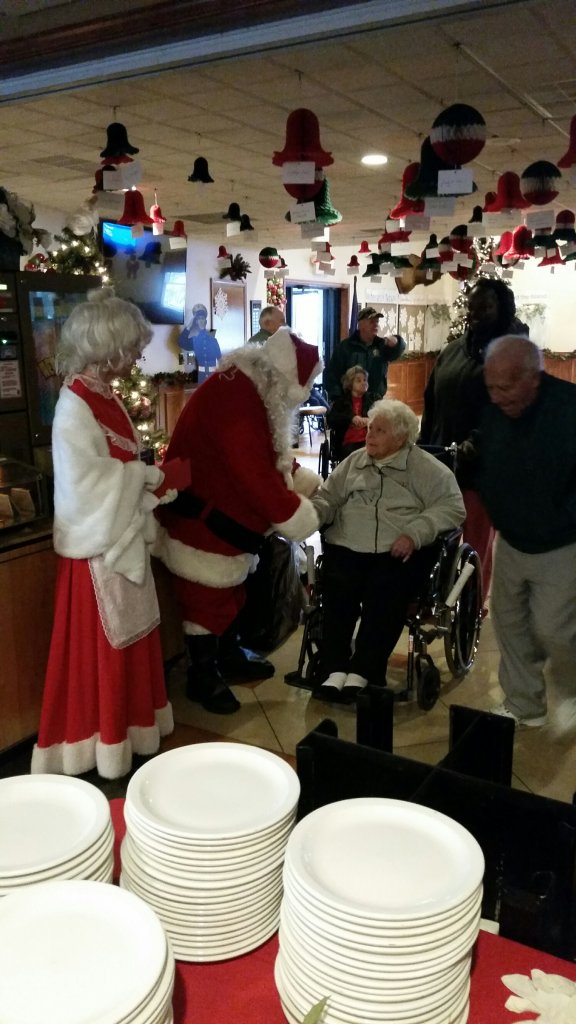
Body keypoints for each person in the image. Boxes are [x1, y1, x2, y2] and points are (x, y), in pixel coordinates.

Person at [31, 287, 175, 780]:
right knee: (106, 646)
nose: (137, 355)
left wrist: (143, 479)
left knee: (132, 638)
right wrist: (143, 477)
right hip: (97, 550)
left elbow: (120, 463)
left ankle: (131, 730)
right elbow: (82, 486)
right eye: (132, 346)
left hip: (121, 537)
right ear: (107, 345)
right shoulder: (74, 405)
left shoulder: (104, 393)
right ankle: (103, 742)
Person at [154, 326, 322, 715]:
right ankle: (203, 674)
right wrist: (292, 513)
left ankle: (227, 654)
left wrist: (298, 478)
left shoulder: (252, 387)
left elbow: (271, 452)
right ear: (284, 379)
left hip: (225, 520)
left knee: (232, 590)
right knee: (205, 600)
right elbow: (251, 469)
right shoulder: (236, 396)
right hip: (202, 522)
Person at [311, 398, 465, 704]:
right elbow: (328, 497)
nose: (369, 435)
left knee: (385, 592)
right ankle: (334, 669)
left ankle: (364, 671)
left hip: (397, 549)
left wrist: (415, 532)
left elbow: (452, 507)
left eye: (379, 430)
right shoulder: (354, 462)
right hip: (349, 543)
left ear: (400, 438)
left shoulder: (425, 468)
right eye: (370, 428)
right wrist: (314, 514)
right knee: (337, 589)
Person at [477, 335, 576, 732]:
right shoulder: (495, 409)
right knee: (511, 624)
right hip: (512, 539)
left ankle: (571, 691)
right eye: (491, 388)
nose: (497, 397)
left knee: (555, 629)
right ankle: (525, 704)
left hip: (561, 542)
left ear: (533, 378)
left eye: (505, 387)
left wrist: (559, 516)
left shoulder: (569, 409)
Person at [419, 277, 527, 603]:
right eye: (473, 305)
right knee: (439, 534)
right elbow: (432, 401)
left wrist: (477, 443)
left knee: (474, 541)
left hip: (482, 467)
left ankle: (470, 607)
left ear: (502, 308)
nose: (476, 311)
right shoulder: (453, 350)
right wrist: (423, 448)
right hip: (441, 458)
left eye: (485, 305)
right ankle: (437, 596)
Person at [325, 307, 405, 401]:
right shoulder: (345, 347)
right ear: (360, 325)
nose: (375, 325)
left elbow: (398, 351)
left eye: (377, 322)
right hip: (350, 402)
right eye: (371, 322)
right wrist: (338, 399)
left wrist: (397, 341)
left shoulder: (382, 346)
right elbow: (332, 375)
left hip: (375, 401)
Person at [326, 365, 380, 461]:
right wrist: (351, 418)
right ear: (350, 384)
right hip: (348, 442)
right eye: (358, 381)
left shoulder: (373, 399)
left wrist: (369, 420)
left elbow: (383, 417)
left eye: (365, 380)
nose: (363, 383)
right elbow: (331, 420)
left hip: (369, 439)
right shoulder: (341, 402)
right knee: (355, 455)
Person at [178, 303, 221, 381]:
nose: (201, 320)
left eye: (202, 318)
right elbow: (181, 342)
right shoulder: (195, 340)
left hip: (213, 376)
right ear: (196, 322)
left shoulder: (212, 340)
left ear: (206, 321)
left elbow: (220, 359)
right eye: (198, 319)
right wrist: (188, 326)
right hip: (201, 377)